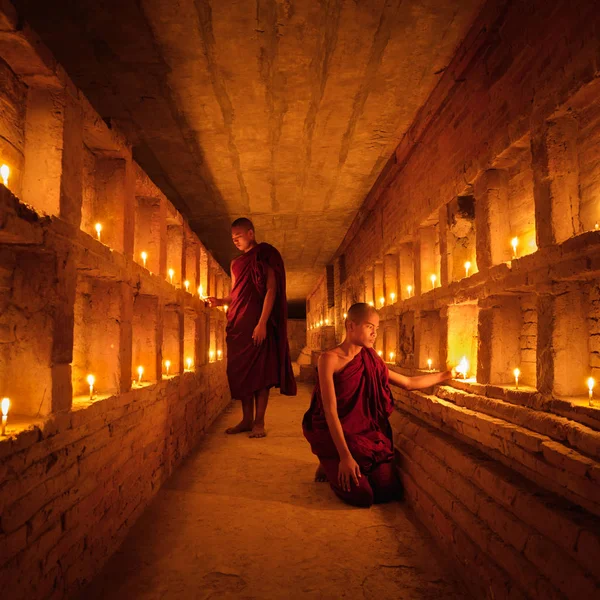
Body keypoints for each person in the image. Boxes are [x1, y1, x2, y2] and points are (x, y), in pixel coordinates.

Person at [302, 302, 452, 507]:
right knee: (363, 496)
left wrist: (446, 375)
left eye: (377, 328)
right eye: (369, 327)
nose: (374, 333)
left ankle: (338, 462)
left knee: (385, 490)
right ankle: (328, 459)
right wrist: (345, 457)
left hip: (364, 434)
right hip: (336, 432)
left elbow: (408, 383)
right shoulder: (329, 359)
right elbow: (330, 411)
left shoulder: (371, 359)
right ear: (351, 326)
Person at [207, 218, 296, 438]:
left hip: (258, 323)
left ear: (251, 233)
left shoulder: (265, 254)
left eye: (239, 235)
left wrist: (262, 323)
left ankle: (259, 422)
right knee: (241, 373)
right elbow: (236, 292)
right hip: (238, 323)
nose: (235, 240)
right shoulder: (235, 263)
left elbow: (271, 290)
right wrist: (220, 301)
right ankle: (246, 420)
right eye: (232, 238)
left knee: (260, 374)